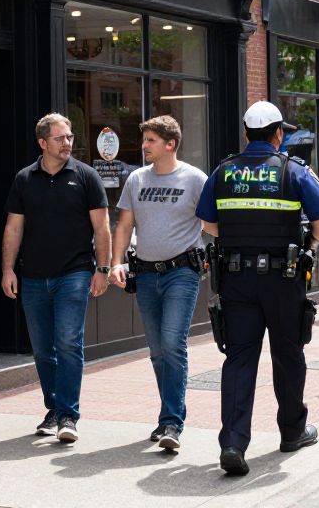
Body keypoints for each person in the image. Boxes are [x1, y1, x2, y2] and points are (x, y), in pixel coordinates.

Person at [196, 101, 319, 475]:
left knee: (239, 359)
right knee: (288, 355)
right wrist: (307, 245)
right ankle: (292, 431)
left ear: (246, 134)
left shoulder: (223, 171)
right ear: (278, 135)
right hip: (283, 279)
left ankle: (234, 444)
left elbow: (208, 224)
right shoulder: (295, 171)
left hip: (237, 280)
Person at [1, 113, 111, 444]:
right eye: (60, 138)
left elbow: (102, 228)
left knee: (67, 341)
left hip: (74, 273)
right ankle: (54, 408)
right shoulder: (24, 179)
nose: (68, 143)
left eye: (70, 137)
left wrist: (102, 269)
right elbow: (13, 228)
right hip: (33, 276)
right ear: (42, 143)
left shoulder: (86, 176)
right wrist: (8, 269)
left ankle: (68, 415)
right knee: (42, 349)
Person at [107, 116, 207, 451]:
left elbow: (213, 223)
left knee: (172, 343)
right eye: (144, 139)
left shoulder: (195, 179)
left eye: (151, 140)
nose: (144, 145)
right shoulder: (136, 179)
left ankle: (171, 422)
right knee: (157, 351)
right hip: (146, 273)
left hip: (182, 272)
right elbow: (124, 225)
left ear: (170, 144)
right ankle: (169, 416)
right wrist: (116, 262)